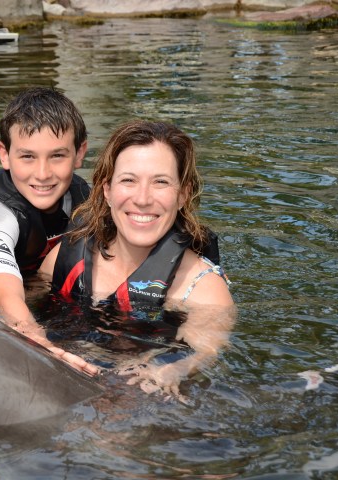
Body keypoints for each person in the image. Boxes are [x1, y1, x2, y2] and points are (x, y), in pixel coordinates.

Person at [39, 120, 236, 397]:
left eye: (161, 182)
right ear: (107, 191)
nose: (142, 199)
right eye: (128, 180)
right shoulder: (65, 256)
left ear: (183, 195)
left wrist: (166, 370)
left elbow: (202, 355)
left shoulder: (205, 290)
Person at [0, 87, 97, 374]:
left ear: (79, 153)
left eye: (57, 156)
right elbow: (4, 292)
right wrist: (36, 339)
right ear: (4, 155)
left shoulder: (81, 195)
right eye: (27, 157)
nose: (42, 174)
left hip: (46, 295)